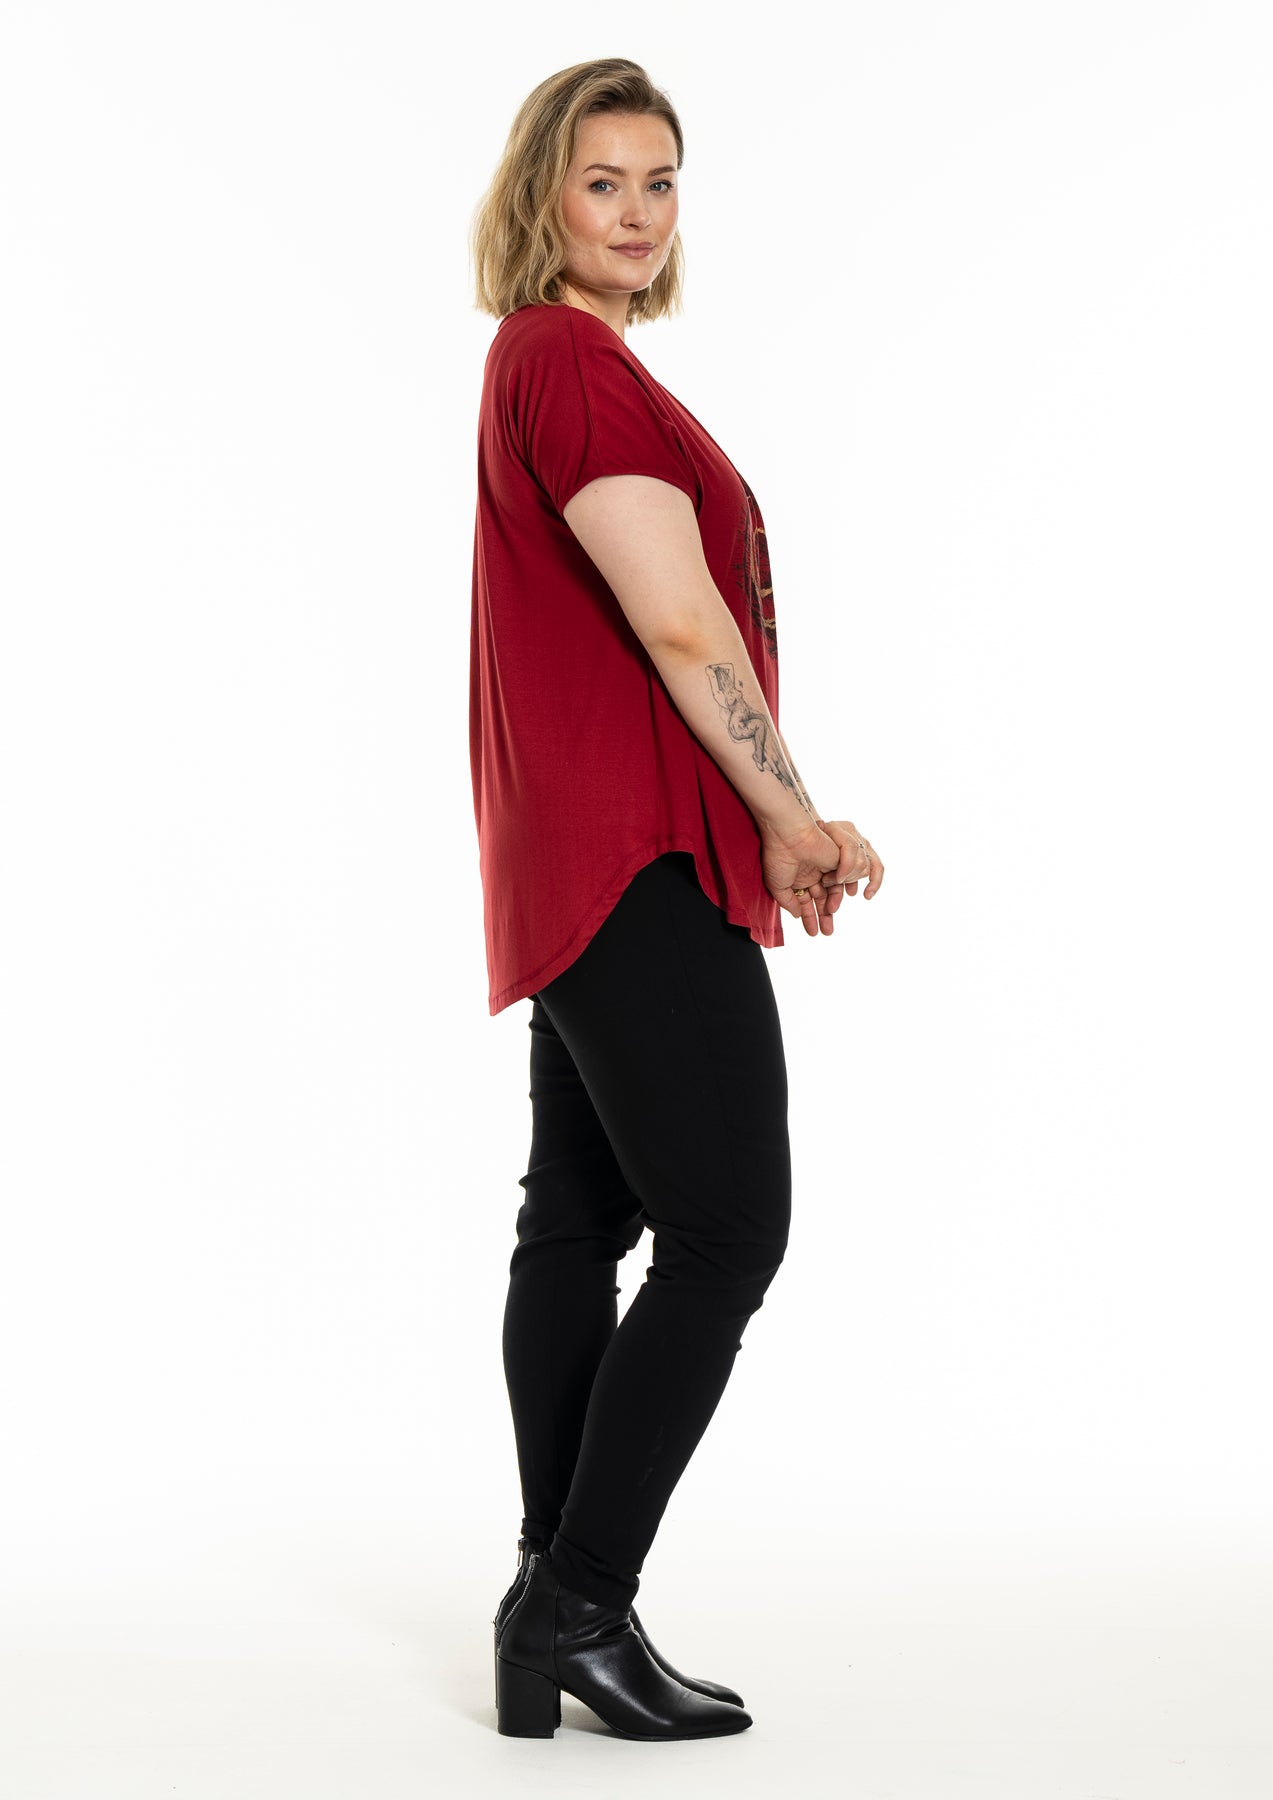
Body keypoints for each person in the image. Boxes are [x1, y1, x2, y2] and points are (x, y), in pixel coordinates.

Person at [468, 57, 883, 1742]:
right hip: (636, 847)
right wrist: (790, 811)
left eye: (658, 182)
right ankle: (578, 1600)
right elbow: (680, 620)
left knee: (578, 1222)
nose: (636, 214)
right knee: (726, 1231)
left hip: (578, 849)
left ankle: (544, 1606)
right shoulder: (568, 362)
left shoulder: (559, 360)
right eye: (602, 182)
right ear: (541, 198)